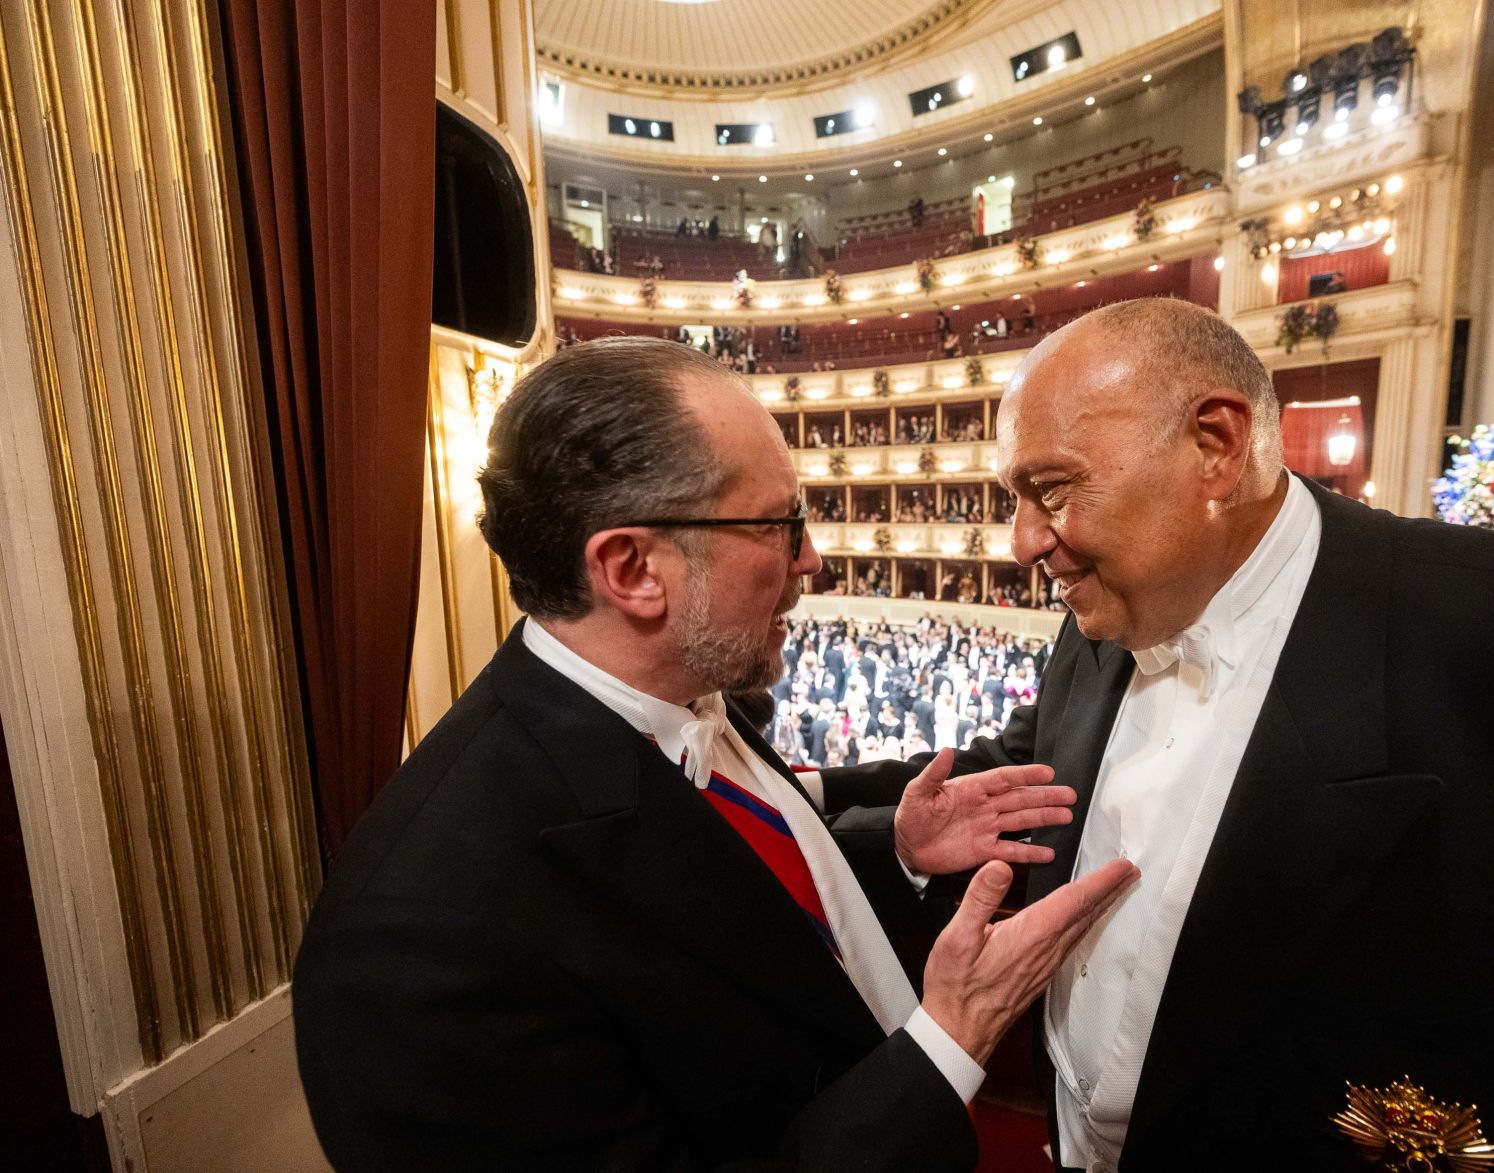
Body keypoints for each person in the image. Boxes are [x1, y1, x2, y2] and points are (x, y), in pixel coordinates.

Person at [822, 298, 1494, 1168]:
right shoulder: (1103, 611)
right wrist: (903, 837)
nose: (1023, 541)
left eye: (1054, 489)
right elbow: (1037, 764)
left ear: (1216, 447)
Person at [293, 337, 1137, 1171]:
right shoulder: (422, 941)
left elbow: (723, 890)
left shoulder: (690, 688)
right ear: (631, 569)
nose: (814, 557)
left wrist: (899, 850)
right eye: (780, 525)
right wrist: (954, 1038)